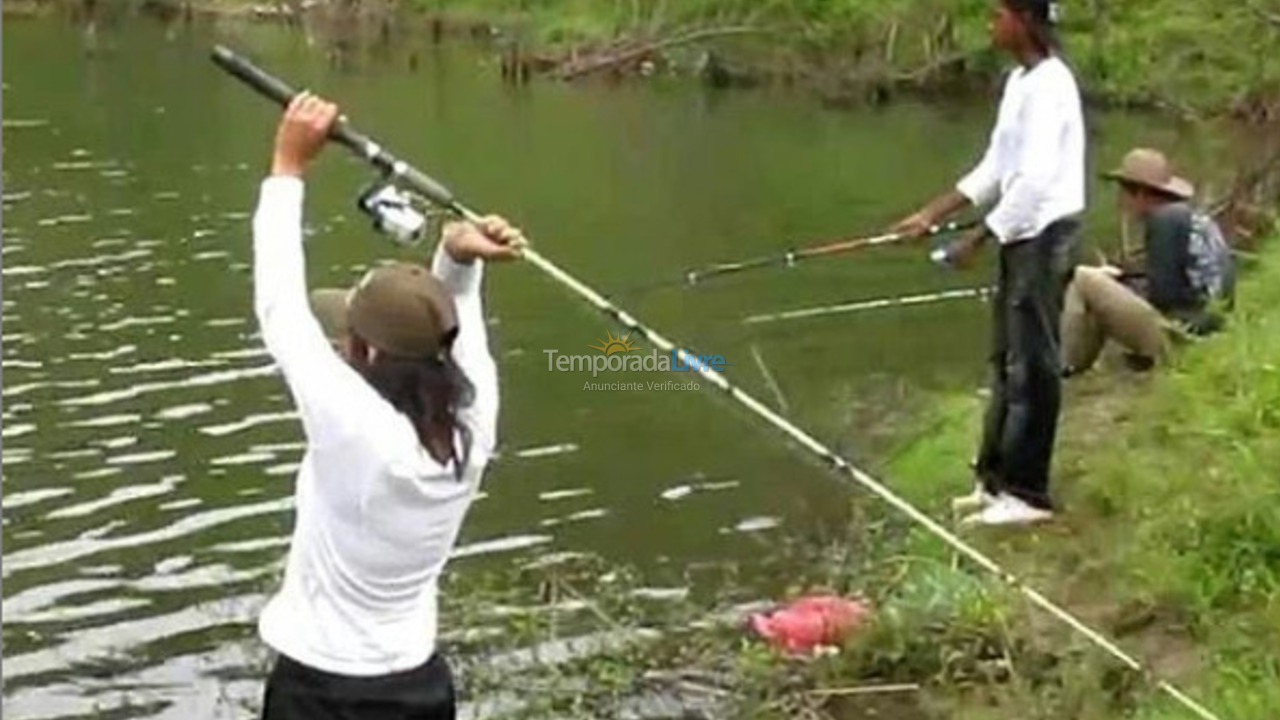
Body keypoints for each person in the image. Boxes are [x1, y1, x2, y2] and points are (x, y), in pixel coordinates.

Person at [250, 92, 524, 720]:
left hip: (319, 693)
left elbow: (280, 307)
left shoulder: (355, 429)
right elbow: (463, 330)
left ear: (366, 351)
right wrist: (458, 257)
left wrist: (287, 168)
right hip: (419, 688)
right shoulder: (472, 424)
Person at [892, 0, 1085, 527]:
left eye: (998, 15)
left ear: (1025, 20)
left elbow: (1036, 182)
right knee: (1005, 359)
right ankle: (993, 483)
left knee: (1034, 364)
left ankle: (1028, 494)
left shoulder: (1051, 86)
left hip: (1045, 235)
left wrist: (977, 240)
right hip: (1020, 232)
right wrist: (929, 215)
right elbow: (997, 166)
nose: (990, 24)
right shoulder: (1019, 83)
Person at [1060, 147, 1235, 375]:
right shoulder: (1189, 217)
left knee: (1084, 277)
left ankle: (1065, 366)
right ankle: (1077, 366)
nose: (1121, 199)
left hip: (1183, 336)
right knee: (1101, 285)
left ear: (1141, 193)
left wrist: (1123, 286)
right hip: (1209, 327)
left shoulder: (1164, 221)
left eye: (1123, 191)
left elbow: (1163, 296)